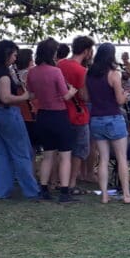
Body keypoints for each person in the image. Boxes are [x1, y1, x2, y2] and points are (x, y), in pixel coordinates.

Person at [0, 40, 40, 201]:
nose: (15, 58)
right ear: (7, 54)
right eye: (14, 55)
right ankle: (32, 191)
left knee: (1, 153)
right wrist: (25, 96)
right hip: (7, 114)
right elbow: (6, 98)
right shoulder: (3, 75)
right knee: (22, 152)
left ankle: (1, 191)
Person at [25, 40, 78, 203]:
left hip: (42, 115)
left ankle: (44, 189)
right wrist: (72, 90)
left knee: (48, 155)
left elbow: (31, 94)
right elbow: (64, 96)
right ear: (52, 53)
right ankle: (64, 191)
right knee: (65, 155)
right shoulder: (55, 71)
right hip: (58, 115)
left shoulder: (32, 72)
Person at [87, 43, 130, 204]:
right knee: (122, 158)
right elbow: (119, 100)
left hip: (95, 118)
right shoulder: (114, 74)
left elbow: (87, 97)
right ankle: (126, 195)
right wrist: (127, 94)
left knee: (103, 158)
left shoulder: (89, 73)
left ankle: (104, 195)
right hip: (113, 118)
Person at [58, 36, 94, 192]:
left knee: (63, 150)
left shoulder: (60, 64)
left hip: (61, 112)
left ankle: (60, 180)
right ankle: (72, 182)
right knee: (79, 150)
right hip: (79, 114)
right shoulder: (82, 71)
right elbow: (85, 97)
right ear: (86, 51)